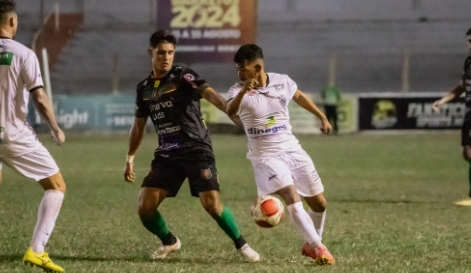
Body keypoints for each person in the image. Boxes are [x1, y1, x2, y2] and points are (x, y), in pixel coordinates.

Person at [123, 30, 259, 262]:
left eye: (170, 53)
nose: (166, 57)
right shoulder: (143, 88)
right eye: (161, 53)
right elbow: (138, 127)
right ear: (151, 53)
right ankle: (169, 241)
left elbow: (210, 94)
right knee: (145, 208)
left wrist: (229, 110)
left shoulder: (183, 76)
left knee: (212, 205)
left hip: (196, 148)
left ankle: (242, 245)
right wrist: (130, 158)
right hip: (167, 153)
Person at [226, 44, 335, 265]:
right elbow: (230, 111)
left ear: (257, 67)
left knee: (320, 204)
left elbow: (299, 96)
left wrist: (321, 116)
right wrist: (245, 90)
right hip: (265, 156)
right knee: (291, 197)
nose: (239, 73)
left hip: (292, 149)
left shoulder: (281, 81)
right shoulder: (237, 90)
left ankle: (311, 244)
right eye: (237, 68)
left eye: (242, 68)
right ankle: (320, 248)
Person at [0, 1, 66, 272]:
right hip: (12, 135)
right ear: (13, 22)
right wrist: (55, 127)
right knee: (56, 185)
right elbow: (39, 95)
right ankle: (36, 250)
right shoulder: (23, 53)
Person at [433, 27, 471, 207]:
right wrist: (443, 100)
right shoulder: (468, 62)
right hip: (469, 111)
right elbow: (462, 86)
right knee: (466, 153)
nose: (470, 45)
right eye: (469, 41)